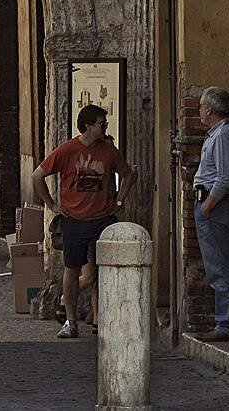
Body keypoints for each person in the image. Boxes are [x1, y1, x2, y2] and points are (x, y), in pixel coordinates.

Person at [31, 103, 133, 339]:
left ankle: (100, 319)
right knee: (72, 268)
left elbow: (128, 174)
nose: (105, 127)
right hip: (74, 219)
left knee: (100, 270)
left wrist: (118, 202)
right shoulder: (68, 150)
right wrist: (52, 204)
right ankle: (70, 319)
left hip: (102, 219)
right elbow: (38, 176)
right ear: (88, 125)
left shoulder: (108, 151)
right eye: (101, 123)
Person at [192, 86, 229, 342]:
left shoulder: (223, 135)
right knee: (216, 264)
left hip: (214, 204)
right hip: (210, 203)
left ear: (209, 109)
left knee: (219, 265)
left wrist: (207, 206)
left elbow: (224, 177)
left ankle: (227, 324)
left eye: (201, 105)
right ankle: (225, 321)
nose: (199, 110)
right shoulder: (216, 134)